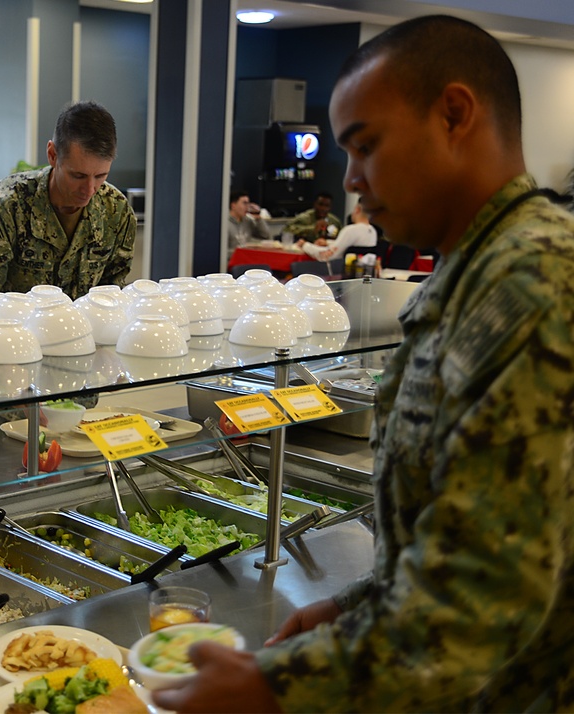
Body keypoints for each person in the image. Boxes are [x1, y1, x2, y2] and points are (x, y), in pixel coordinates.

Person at [154, 15, 574, 714]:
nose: (351, 180)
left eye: (367, 146)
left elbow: (482, 598)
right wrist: (362, 606)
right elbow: (452, 524)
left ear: (454, 115)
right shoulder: (475, 269)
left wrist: (276, 688)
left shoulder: (531, 284)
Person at [0, 100, 136, 300]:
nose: (89, 189)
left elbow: (111, 299)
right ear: (53, 155)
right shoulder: (5, 208)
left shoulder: (116, 211)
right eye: (78, 176)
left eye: (100, 176)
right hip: (11, 329)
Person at [297, 197, 377, 262]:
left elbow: (326, 255)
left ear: (357, 209)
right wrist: (328, 243)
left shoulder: (350, 230)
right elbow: (348, 247)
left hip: (344, 276)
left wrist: (305, 245)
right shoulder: (373, 231)